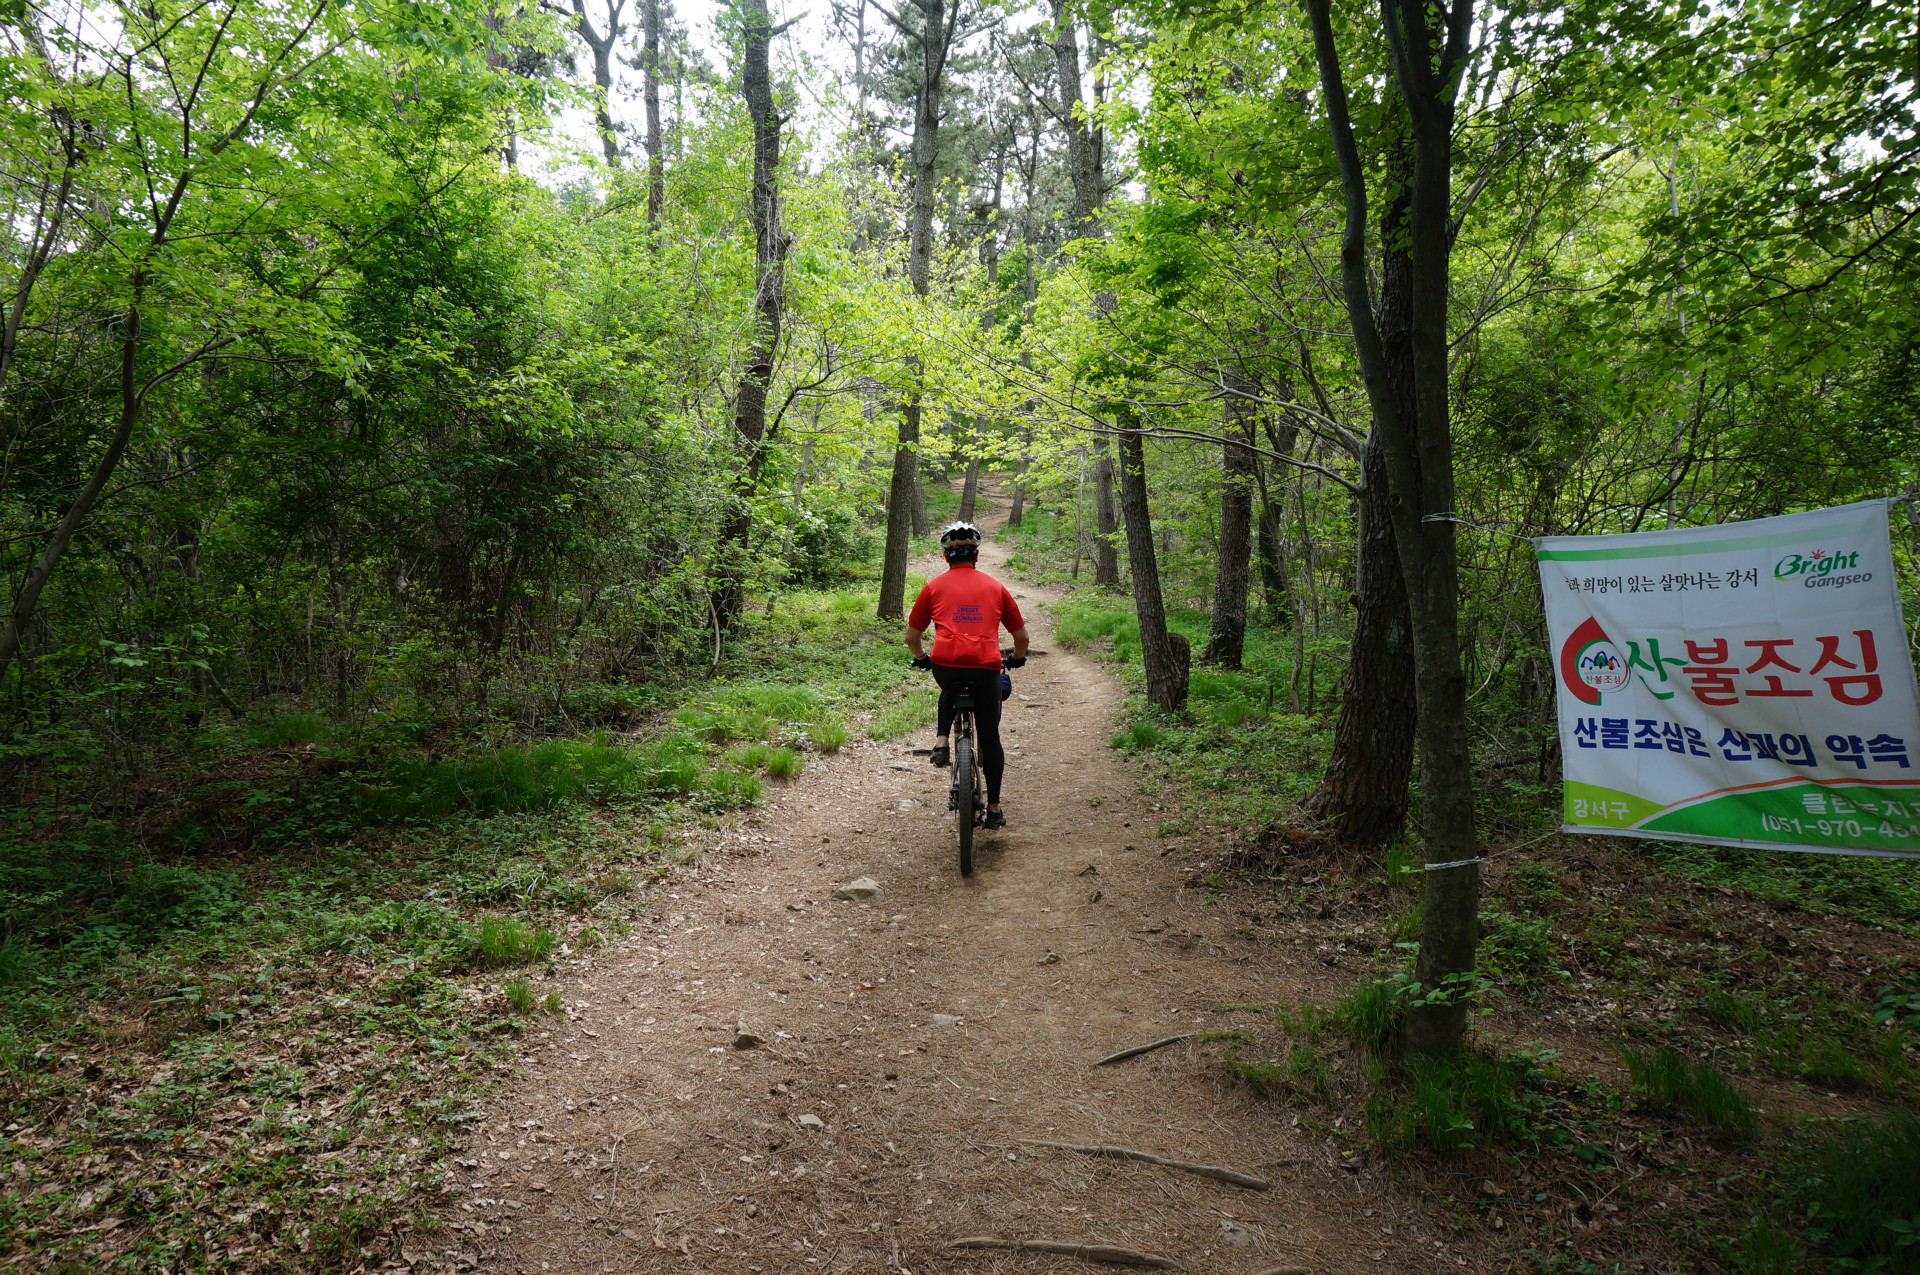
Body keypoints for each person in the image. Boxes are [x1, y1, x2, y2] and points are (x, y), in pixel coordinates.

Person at [905, 521, 1029, 829]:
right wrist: (1016, 659)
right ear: (976, 556)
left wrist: (922, 658)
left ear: (947, 557)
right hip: (986, 667)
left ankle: (942, 741)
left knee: (949, 689)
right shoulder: (995, 587)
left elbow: (911, 636)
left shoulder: (932, 587)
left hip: (946, 665)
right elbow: (1022, 639)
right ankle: (995, 808)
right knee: (990, 737)